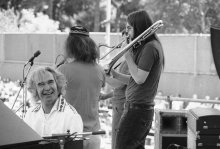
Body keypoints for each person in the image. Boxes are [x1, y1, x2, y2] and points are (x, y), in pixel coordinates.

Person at [110, 10, 165, 149]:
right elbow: (135, 80)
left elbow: (140, 79)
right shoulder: (147, 47)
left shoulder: (150, 47)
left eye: (129, 28)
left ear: (139, 27)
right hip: (136, 109)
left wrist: (127, 56)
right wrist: (114, 74)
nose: (126, 32)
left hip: (137, 110)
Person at [57, 26, 105, 149]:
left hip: (71, 134)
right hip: (94, 134)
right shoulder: (100, 70)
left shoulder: (63, 70)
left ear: (70, 46)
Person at [24, 66, 83, 137]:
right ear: (34, 90)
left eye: (50, 82)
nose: (47, 88)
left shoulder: (71, 116)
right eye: (41, 84)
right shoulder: (30, 114)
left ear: (58, 85)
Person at [100, 29, 129, 149]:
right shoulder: (124, 61)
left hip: (122, 106)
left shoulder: (127, 62)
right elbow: (120, 89)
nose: (121, 44)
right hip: (119, 104)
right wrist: (105, 96)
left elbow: (119, 84)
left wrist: (102, 75)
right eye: (121, 40)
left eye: (124, 40)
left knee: (118, 142)